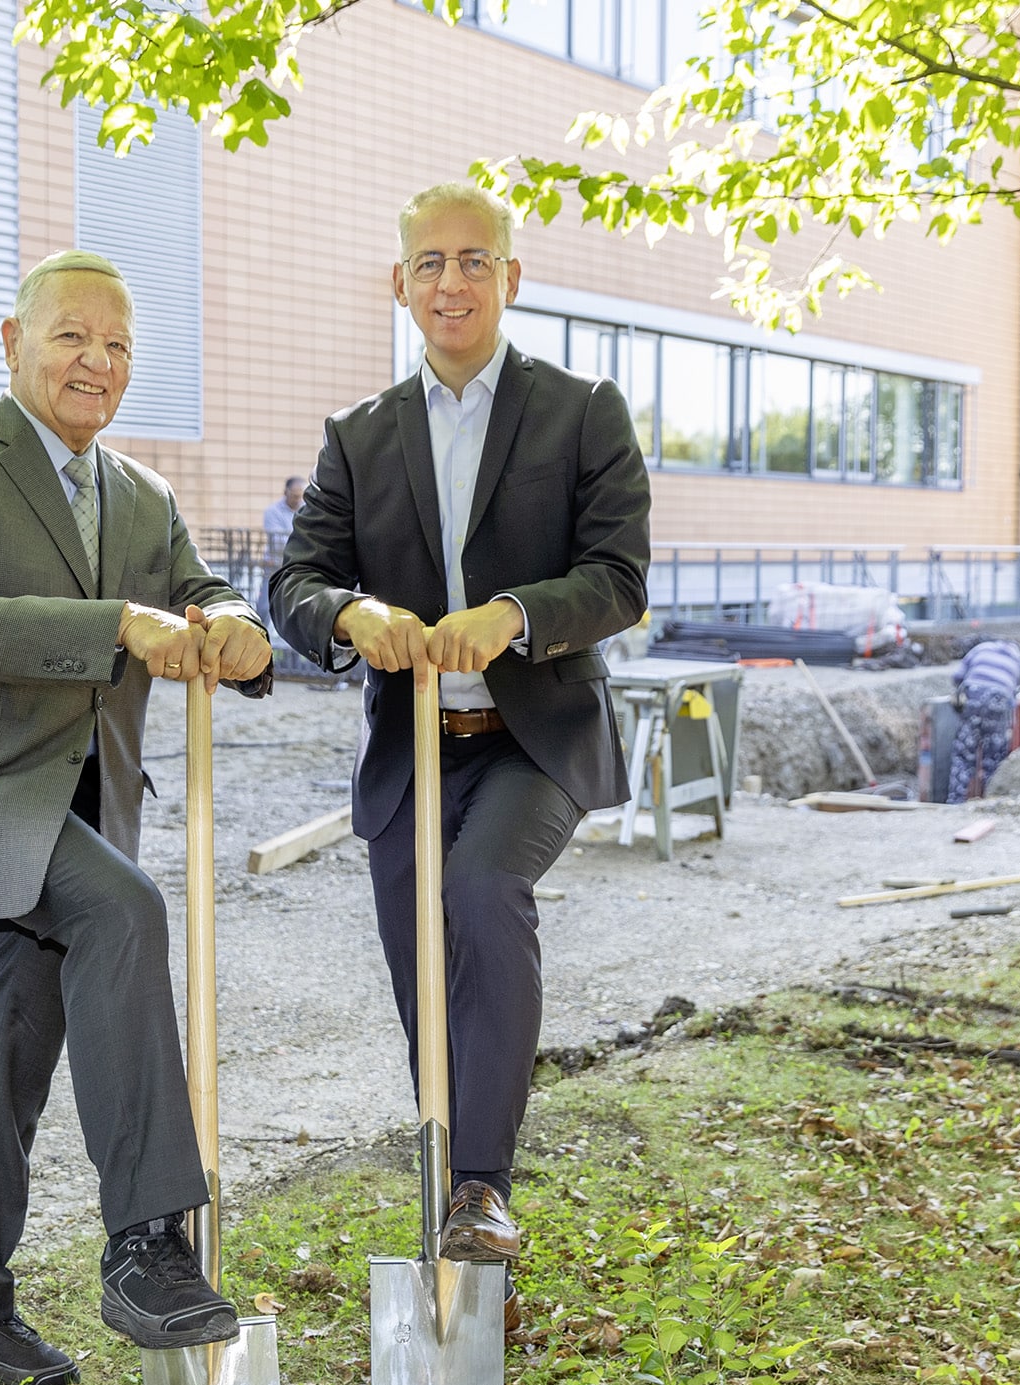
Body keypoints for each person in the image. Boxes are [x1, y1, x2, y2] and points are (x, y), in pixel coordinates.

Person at [0, 249, 275, 1385]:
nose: (95, 362)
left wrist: (236, 627)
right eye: (71, 337)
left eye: (116, 346)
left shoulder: (140, 494)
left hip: (82, 800)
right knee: (124, 910)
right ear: (14, 341)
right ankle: (148, 1244)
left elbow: (201, 595)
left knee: (8, 1050)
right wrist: (119, 625)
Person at [268, 183, 651, 1324]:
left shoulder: (582, 412)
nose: (451, 281)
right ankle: (455, 1209)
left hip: (533, 737)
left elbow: (619, 577)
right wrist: (345, 618)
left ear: (510, 279)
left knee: (482, 891)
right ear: (400, 283)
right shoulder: (358, 434)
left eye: (473, 260)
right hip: (410, 749)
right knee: (420, 974)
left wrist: (515, 614)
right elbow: (292, 581)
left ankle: (483, 1182)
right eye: (428, 262)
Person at [948, 638, 1020, 803]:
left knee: (963, 755)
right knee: (993, 756)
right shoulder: (1019, 660)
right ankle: (990, 800)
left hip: (973, 697)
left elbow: (956, 677)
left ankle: (955, 801)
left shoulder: (981, 649)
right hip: (998, 701)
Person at [262, 475, 307, 563]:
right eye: (295, 496)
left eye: (300, 496)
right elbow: (277, 542)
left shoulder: (307, 508)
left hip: (300, 561)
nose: (298, 500)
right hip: (277, 562)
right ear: (285, 492)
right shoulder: (272, 511)